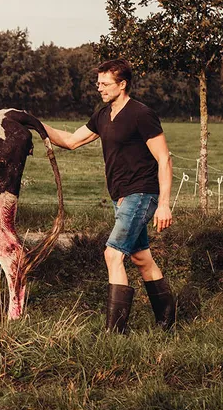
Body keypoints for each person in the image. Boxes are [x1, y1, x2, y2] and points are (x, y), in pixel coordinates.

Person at [42, 59, 177, 332]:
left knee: (112, 255)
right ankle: (167, 323)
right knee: (141, 258)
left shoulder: (141, 114)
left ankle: (115, 332)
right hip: (121, 197)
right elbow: (71, 141)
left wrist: (164, 205)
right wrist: (34, 123)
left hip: (141, 193)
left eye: (105, 84)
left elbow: (164, 158)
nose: (99, 88)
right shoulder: (103, 115)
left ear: (122, 84)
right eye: (98, 83)